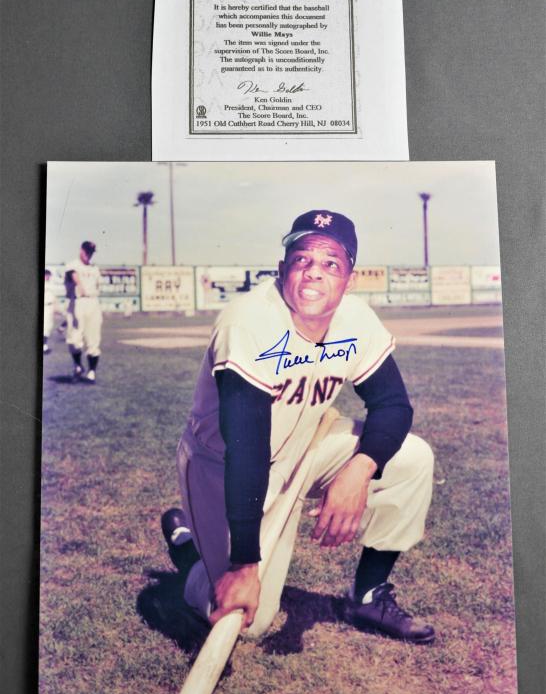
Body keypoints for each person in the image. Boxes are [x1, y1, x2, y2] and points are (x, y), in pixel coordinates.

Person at [162, 210, 435, 643]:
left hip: (306, 447)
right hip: (223, 467)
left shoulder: (357, 320)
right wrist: (244, 566)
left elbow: (393, 405)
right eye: (303, 259)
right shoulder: (248, 321)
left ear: (350, 278)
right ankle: (189, 549)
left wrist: (360, 468)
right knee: (245, 617)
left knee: (412, 457)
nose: (314, 273)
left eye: (331, 263)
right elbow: (246, 446)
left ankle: (367, 596)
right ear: (282, 268)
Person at [64, 241, 102, 383]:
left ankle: (92, 371)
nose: (88, 254)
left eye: (91, 251)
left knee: (93, 339)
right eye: (86, 251)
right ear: (81, 250)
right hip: (77, 302)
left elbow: (98, 286)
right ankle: (78, 365)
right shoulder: (73, 264)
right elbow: (74, 276)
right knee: (74, 340)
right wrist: (80, 286)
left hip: (92, 303)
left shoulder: (95, 269)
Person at [43, 269, 57, 354]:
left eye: (49, 275)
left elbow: (53, 297)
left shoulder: (50, 284)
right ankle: (44, 347)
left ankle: (44, 346)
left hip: (50, 307)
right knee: (45, 328)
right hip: (45, 306)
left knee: (48, 327)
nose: (48, 277)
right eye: (47, 275)